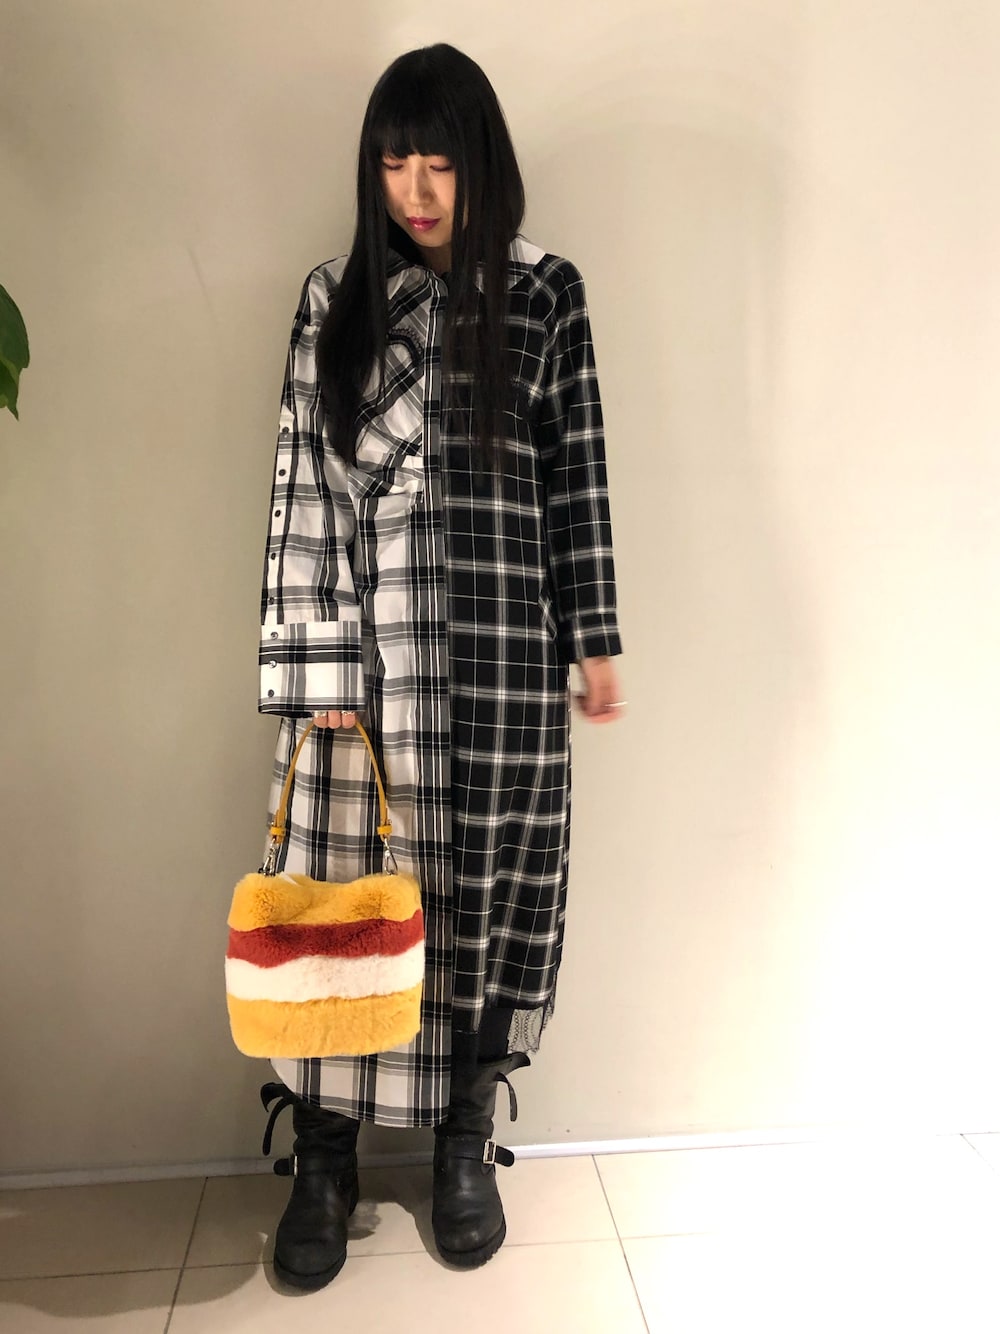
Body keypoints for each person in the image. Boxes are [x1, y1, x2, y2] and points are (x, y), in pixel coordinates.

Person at [254, 42, 624, 1290]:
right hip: (363, 670)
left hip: (507, 660)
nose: (416, 188)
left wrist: (594, 637)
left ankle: (465, 1135)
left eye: (440, 161)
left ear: (482, 165)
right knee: (341, 902)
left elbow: (575, 476)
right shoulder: (334, 298)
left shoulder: (543, 294)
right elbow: (302, 482)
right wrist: (317, 667)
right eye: (394, 161)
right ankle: (324, 1152)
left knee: (489, 899)